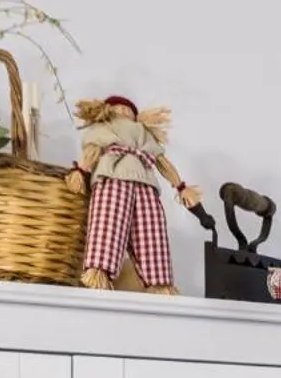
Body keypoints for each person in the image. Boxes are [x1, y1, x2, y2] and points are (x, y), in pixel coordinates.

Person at [64, 95, 202, 293]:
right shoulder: (104, 128)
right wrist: (82, 170)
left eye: (127, 109)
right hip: (113, 178)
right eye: (118, 108)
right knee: (107, 227)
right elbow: (92, 151)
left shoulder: (143, 133)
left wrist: (180, 186)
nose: (123, 111)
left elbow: (162, 161)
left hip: (145, 184)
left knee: (152, 230)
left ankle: (160, 283)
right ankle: (98, 274)